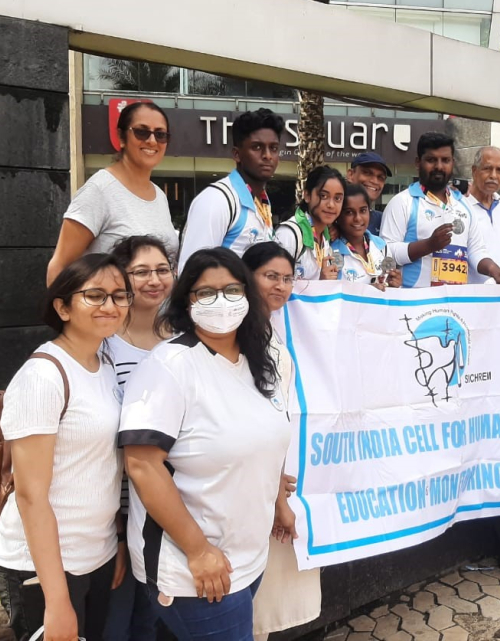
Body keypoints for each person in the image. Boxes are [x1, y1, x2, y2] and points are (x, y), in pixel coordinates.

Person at [119, 248, 294, 641]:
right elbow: (143, 465)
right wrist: (198, 551)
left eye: (232, 290)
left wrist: (279, 502)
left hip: (248, 553)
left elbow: (272, 435)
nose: (221, 302)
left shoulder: (263, 359)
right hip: (190, 564)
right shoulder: (169, 366)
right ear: (186, 301)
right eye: (205, 293)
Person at [0, 254, 133, 641]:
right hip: (42, 567)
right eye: (95, 295)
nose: (110, 306)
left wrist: (116, 540)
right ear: (62, 306)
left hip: (98, 555)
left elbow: (103, 466)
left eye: (120, 296)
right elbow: (30, 494)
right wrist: (56, 601)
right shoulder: (44, 375)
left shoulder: (103, 363)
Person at [241, 242, 322, 641]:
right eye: (270, 276)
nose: (281, 286)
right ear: (247, 276)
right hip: (255, 484)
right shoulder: (238, 337)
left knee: (265, 603)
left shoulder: (271, 331)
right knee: (252, 600)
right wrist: (277, 497)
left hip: (280, 476)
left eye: (288, 278)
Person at [105, 236, 176, 641]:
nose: (154, 280)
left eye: (162, 269)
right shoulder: (104, 345)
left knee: (155, 622)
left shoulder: (183, 340)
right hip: (116, 508)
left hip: (167, 510)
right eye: (141, 271)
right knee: (118, 624)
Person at [47, 102, 178, 284]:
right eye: (141, 131)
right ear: (121, 137)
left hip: (157, 312)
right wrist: (64, 311)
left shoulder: (159, 196)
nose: (152, 140)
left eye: (160, 134)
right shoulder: (99, 190)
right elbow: (60, 266)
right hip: (110, 310)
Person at [380, 132, 500, 291]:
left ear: (453, 163)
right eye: (431, 160)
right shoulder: (402, 202)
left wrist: (494, 270)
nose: (439, 166)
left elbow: (476, 250)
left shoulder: (464, 204)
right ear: (418, 162)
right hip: (415, 302)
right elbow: (386, 252)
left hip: (456, 303)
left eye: (445, 160)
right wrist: (428, 245)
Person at [178, 109, 283, 268]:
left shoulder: (262, 201)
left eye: (273, 148)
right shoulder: (216, 200)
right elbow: (191, 271)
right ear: (237, 154)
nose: (267, 155)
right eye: (257, 147)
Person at [275, 165, 346, 281]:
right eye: (323, 196)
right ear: (307, 195)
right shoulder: (289, 234)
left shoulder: (325, 239)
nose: (331, 205)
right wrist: (320, 283)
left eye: (337, 199)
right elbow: (275, 286)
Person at [332, 185, 402, 289]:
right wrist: (368, 291)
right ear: (338, 215)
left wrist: (394, 284)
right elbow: (332, 294)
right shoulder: (332, 252)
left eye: (363, 210)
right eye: (349, 212)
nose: (358, 218)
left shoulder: (381, 246)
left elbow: (389, 287)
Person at [464, 146, 500, 283]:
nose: (493, 176)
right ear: (474, 171)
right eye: (487, 168)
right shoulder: (460, 205)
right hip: (472, 294)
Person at [346, 152, 391, 236]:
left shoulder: (384, 220)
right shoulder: (333, 215)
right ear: (351, 174)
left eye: (380, 177)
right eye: (367, 173)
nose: (374, 181)